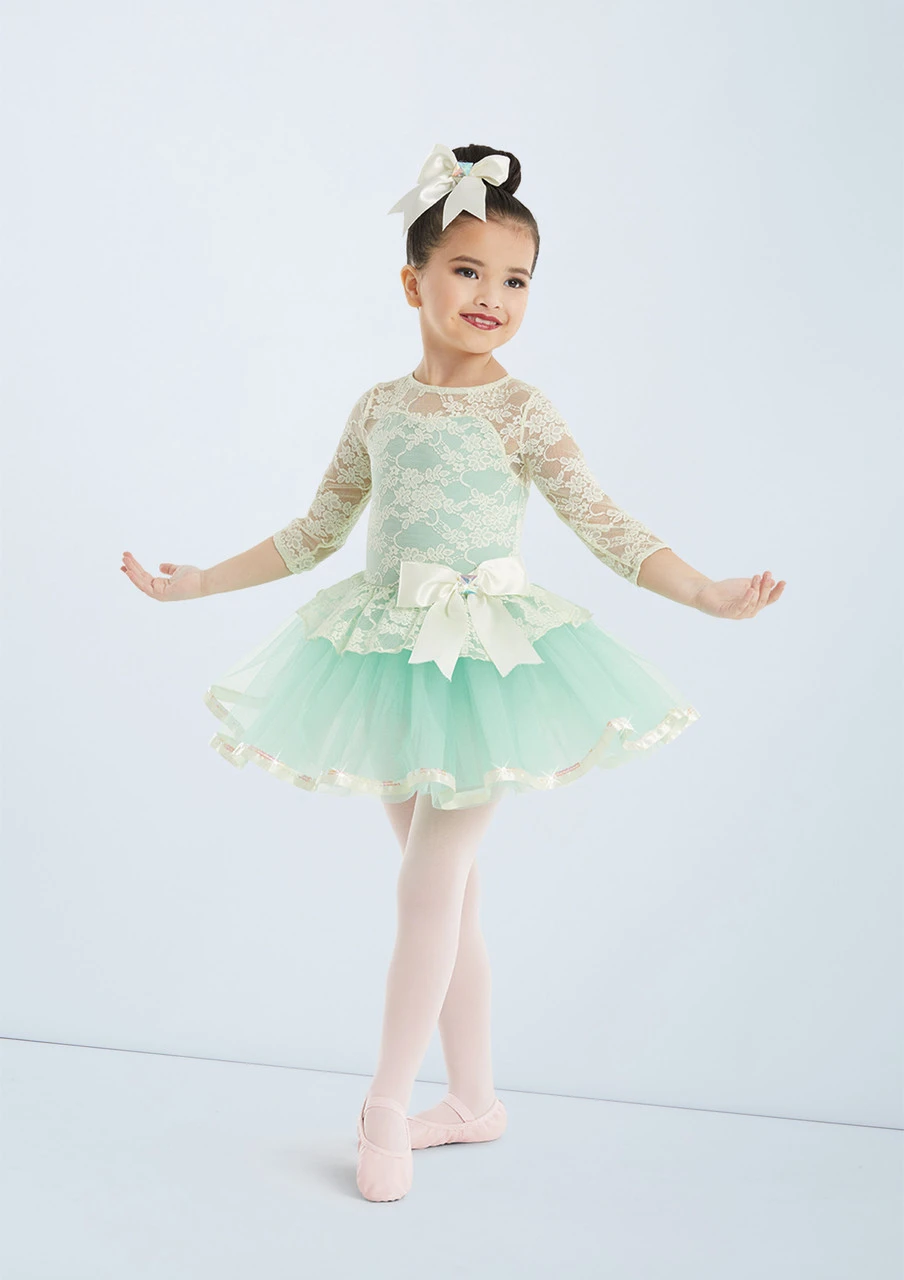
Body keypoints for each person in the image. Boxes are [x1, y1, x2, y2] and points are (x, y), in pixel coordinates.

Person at [120, 141, 786, 1203]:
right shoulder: (378, 408)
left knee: (428, 883)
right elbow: (316, 531)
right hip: (388, 654)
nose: (492, 297)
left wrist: (704, 589)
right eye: (468, 270)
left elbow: (603, 521)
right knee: (452, 896)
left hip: (488, 663)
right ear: (413, 282)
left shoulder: (524, 411)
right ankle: (473, 1099)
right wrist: (199, 581)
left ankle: (387, 1102)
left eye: (516, 280)